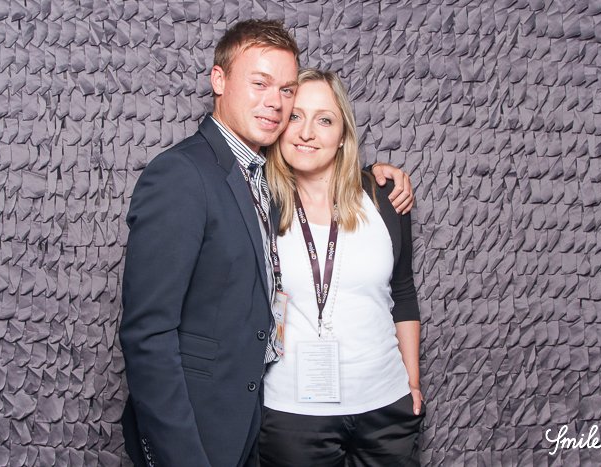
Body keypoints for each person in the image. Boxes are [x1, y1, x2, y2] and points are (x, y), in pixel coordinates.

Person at [119, 20, 414, 467]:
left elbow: (323, 172)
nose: (275, 102)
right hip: (201, 432)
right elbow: (147, 335)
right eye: (259, 83)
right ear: (219, 80)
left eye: (286, 90)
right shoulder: (180, 174)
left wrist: (374, 174)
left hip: (250, 423)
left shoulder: (258, 176)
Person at [259, 69, 422, 467]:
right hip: (292, 413)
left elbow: (403, 293)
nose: (306, 132)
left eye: (324, 120)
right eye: (295, 116)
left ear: (344, 135)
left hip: (386, 407)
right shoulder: (258, 203)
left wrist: (412, 383)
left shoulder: (384, 197)